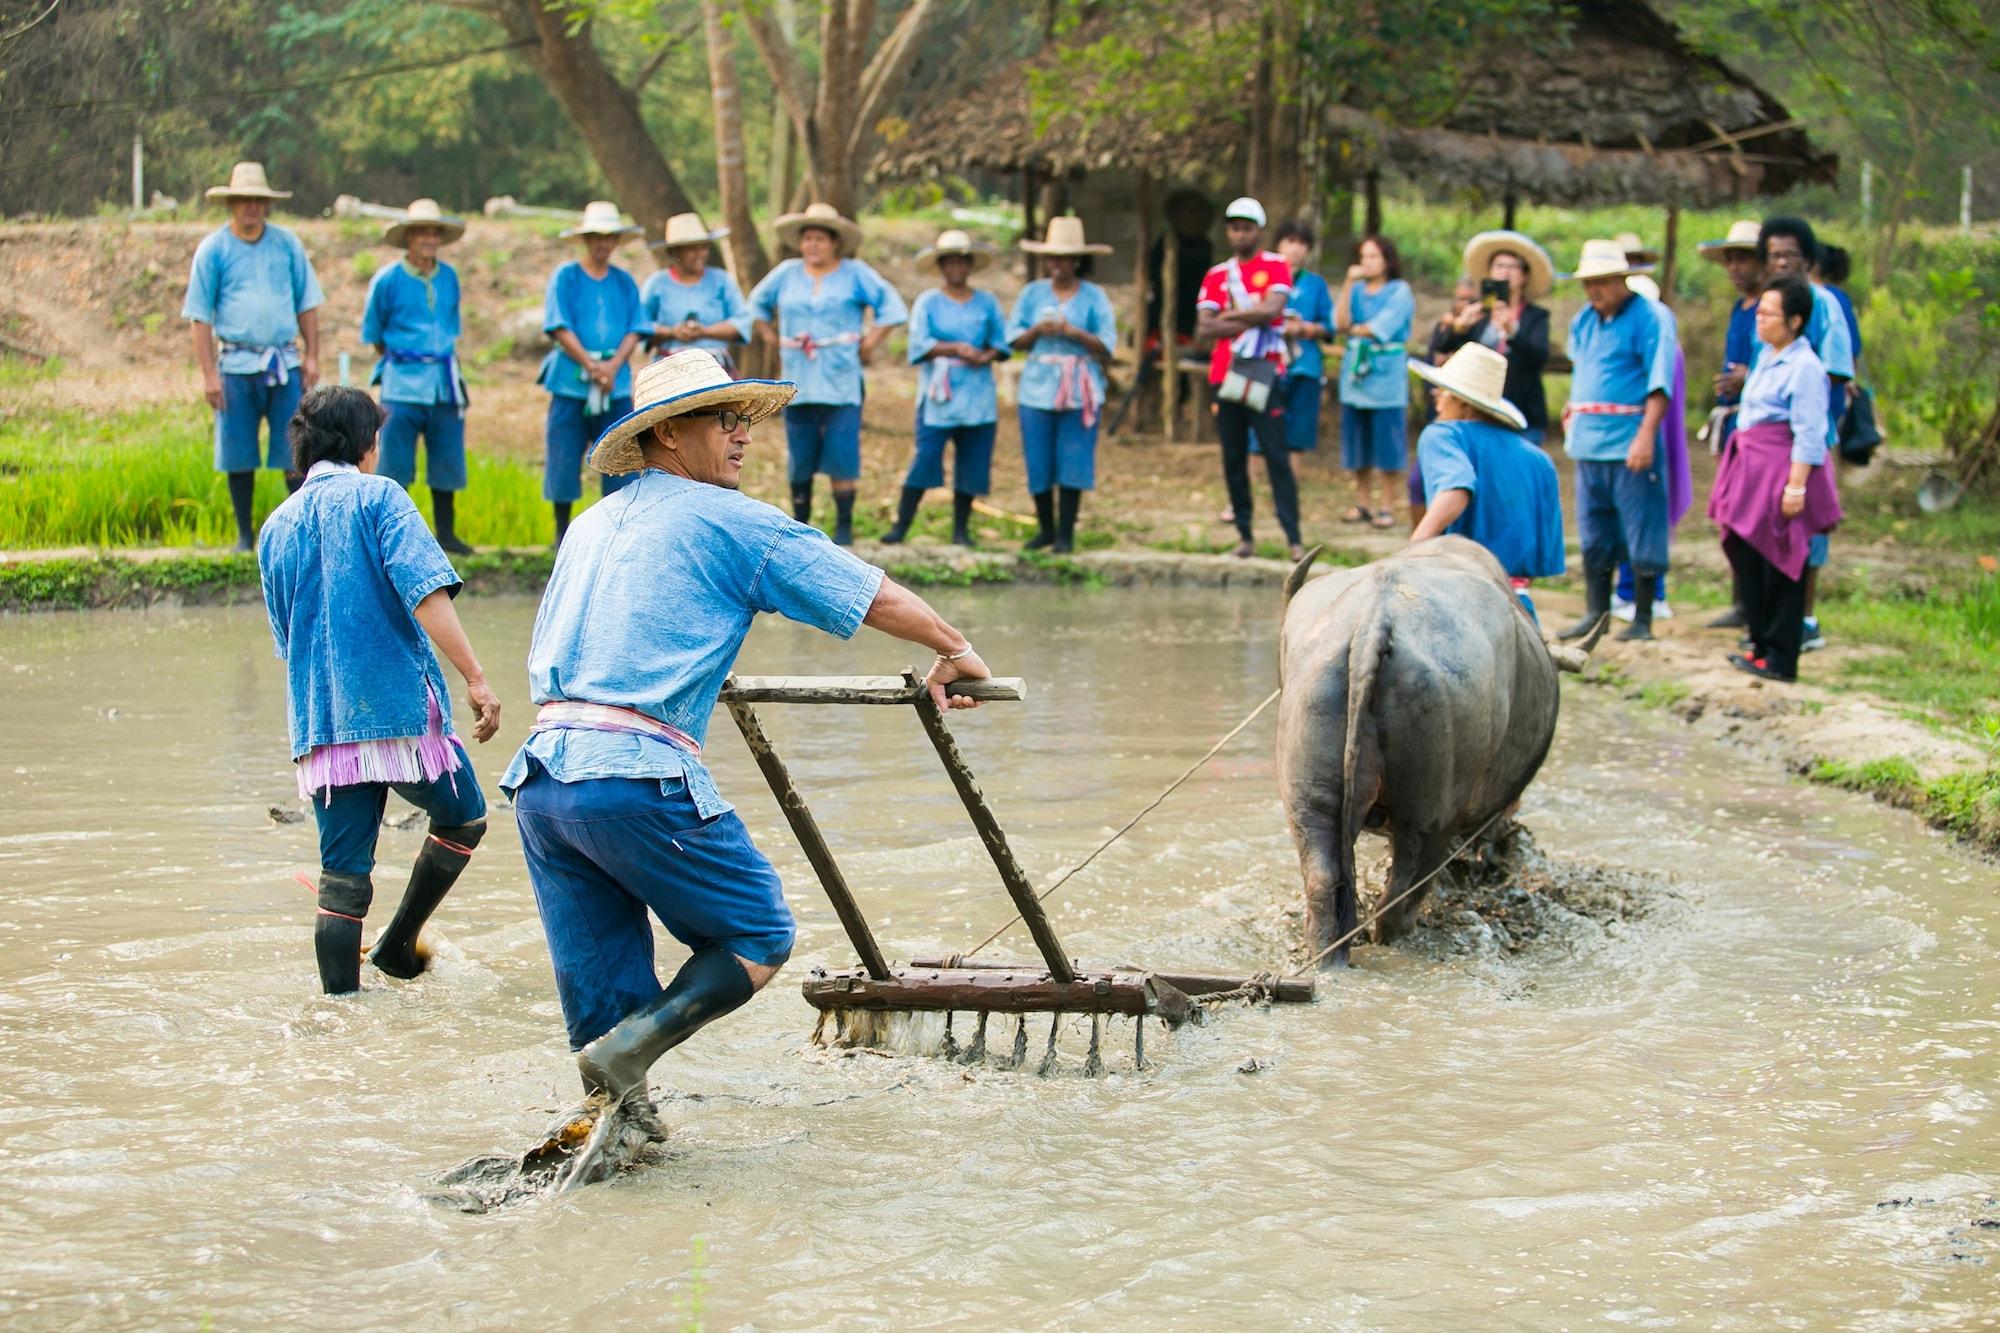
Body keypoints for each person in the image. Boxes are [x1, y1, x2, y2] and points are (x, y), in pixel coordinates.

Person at [499, 350, 992, 1172]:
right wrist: (955, 646)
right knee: (759, 929)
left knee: (606, 1002)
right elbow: (864, 590)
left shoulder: (589, 525)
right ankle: (628, 1064)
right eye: (722, 419)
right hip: (631, 775)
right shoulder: (730, 521)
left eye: (745, 420)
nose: (742, 436)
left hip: (546, 782)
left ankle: (620, 1133)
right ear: (665, 434)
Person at [257, 386, 502, 995]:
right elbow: (426, 593)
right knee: (465, 816)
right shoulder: (380, 497)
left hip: (322, 725)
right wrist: (475, 677)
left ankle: (339, 1009)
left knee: (341, 880)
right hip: (397, 715)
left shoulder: (275, 527)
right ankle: (396, 945)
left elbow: (288, 641)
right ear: (365, 443)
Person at [181, 161, 325, 551]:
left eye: (258, 201)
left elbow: (307, 302)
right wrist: (209, 375)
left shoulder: (286, 244)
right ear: (232, 204)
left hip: (283, 361)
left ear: (266, 204)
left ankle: (300, 537)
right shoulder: (214, 250)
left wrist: (312, 356)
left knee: (295, 450)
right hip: (236, 364)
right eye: (244, 201)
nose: (251, 208)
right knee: (237, 449)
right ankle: (245, 535)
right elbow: (199, 317)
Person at [1706, 276, 1842, 682]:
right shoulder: (1766, 356)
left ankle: (1782, 656)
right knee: (1747, 551)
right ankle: (1760, 644)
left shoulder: (1805, 367)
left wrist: (1796, 486)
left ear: (1795, 321)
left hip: (1781, 470)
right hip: (1751, 466)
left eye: (1768, 313)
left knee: (1783, 559)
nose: (1759, 320)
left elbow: (1809, 431)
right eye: (1759, 312)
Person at [749, 202, 908, 546]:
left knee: (841, 448)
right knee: (800, 448)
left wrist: (871, 341)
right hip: (798, 376)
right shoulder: (787, 273)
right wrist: (769, 336)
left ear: (835, 242)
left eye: (820, 238)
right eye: (807, 238)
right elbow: (755, 304)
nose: (813, 245)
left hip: (840, 376)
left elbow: (892, 308)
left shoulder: (855, 273)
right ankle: (800, 522)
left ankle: (844, 526)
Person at [1557, 238, 1672, 643]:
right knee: (1594, 532)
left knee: (1641, 526)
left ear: (1623, 279)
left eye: (1602, 282)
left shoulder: (1650, 318)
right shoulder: (1584, 321)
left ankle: (1642, 615)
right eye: (1588, 283)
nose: (1594, 290)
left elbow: (1659, 382)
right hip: (1589, 442)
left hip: (1629, 442)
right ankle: (1596, 612)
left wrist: (1646, 435)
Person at [1407, 344, 1565, 620]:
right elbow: (1544, 555)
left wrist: (1411, 552)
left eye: (1443, 391)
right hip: (1518, 608)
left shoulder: (1443, 435)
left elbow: (1455, 491)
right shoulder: (1540, 461)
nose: (1437, 400)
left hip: (1459, 597)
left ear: (1464, 404)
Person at [1756, 216, 1855, 653]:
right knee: (1768, 529)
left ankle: (1806, 619)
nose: (1781, 262)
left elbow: (1835, 370)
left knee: (1805, 529)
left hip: (1808, 435)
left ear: (1807, 259)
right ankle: (1770, 622)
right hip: (1767, 444)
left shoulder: (1824, 306)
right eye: (1774, 254)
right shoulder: (1769, 305)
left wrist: (1798, 403)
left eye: (1790, 255)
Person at [363, 198, 474, 554]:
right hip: (402, 383)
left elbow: (451, 325)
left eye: (434, 232)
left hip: (443, 383)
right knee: (395, 463)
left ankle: (446, 534)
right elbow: (375, 334)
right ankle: (393, 537)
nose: (428, 239)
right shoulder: (388, 280)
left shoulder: (449, 277)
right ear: (409, 238)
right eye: (421, 232)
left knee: (446, 458)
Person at [1195, 197, 1304, 558]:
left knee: (1276, 455)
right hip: (1224, 375)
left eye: (1247, 227)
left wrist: (1231, 317)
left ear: (1259, 231)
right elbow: (1205, 327)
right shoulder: (1216, 274)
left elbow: (1274, 309)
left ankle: (1293, 538)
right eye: (1235, 227)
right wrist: (1253, 316)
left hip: (1265, 371)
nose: (1240, 233)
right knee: (1233, 456)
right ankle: (1245, 536)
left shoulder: (1276, 265)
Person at [538, 200, 649, 546]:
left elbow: (636, 326)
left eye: (609, 238)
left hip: (614, 382)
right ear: (586, 240)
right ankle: (561, 531)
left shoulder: (623, 281)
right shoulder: (567, 277)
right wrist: (590, 364)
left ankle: (616, 529)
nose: (603, 244)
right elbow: (558, 325)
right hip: (572, 380)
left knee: (618, 454)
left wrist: (613, 366)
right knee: (564, 452)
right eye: (596, 237)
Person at [889, 230, 1010, 547]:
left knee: (972, 460)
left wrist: (985, 355)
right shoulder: (928, 302)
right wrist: (956, 348)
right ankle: (902, 525)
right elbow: (919, 344)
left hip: (977, 393)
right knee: (926, 456)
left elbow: (1002, 343)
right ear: (941, 266)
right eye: (950, 262)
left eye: (962, 261)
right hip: (939, 394)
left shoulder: (987, 302)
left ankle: (961, 529)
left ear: (970, 265)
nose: (956, 267)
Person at [1007, 215, 1118, 553]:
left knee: (1073, 459)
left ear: (1076, 260)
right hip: (1037, 387)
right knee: (1038, 460)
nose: (1058, 265)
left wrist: (1074, 333)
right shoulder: (1031, 294)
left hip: (1080, 388)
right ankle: (1045, 529)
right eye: (1053, 258)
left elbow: (1108, 345)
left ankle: (1066, 533)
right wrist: (1038, 330)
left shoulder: (1095, 297)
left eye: (1065, 258)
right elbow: (1012, 340)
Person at [1697, 219, 1764, 631]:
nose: (1736, 267)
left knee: (1750, 517)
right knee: (1731, 517)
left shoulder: (1769, 308)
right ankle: (1741, 600)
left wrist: (1748, 377)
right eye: (1731, 259)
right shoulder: (1739, 309)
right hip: (1734, 424)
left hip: (1759, 425)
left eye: (1744, 258)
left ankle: (1753, 605)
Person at [1612, 271, 1690, 625]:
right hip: (1631, 441)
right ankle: (1628, 591)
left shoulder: (1661, 345)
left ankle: (1648, 595)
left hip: (1645, 444)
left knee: (1643, 520)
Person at [1437, 230, 1553, 445]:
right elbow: (1442, 347)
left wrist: (1513, 332)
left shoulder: (1535, 317)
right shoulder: (1478, 312)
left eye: (1512, 267)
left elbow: (1539, 358)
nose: (1505, 273)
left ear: (1525, 275)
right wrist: (1460, 327)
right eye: (1499, 266)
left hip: (1522, 411)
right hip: (1476, 410)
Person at [1333, 233, 1414, 530]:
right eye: (1363, 256)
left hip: (1386, 380)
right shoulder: (1355, 291)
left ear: (1387, 260)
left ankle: (1387, 506)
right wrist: (1347, 284)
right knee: (1357, 445)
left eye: (1373, 257)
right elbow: (1340, 324)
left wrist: (1355, 330)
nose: (1366, 262)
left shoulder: (1400, 291)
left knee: (1388, 446)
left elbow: (1379, 328)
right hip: (1356, 380)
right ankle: (1363, 503)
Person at [641, 212, 751, 372]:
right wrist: (672, 332)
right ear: (675, 252)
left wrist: (705, 331)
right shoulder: (657, 284)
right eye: (692, 249)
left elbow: (742, 322)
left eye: (703, 247)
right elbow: (641, 325)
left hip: (715, 369)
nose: (700, 254)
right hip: (671, 370)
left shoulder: (721, 280)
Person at [1275, 219, 1333, 454]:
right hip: (1268, 363)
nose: (1295, 248)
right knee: (1260, 432)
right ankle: (1257, 484)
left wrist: (1305, 329)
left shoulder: (1316, 284)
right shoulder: (1264, 277)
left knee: (1297, 436)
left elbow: (1330, 326)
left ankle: (1290, 486)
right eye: (1290, 241)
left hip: (1305, 365)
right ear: (1278, 244)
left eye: (1301, 243)